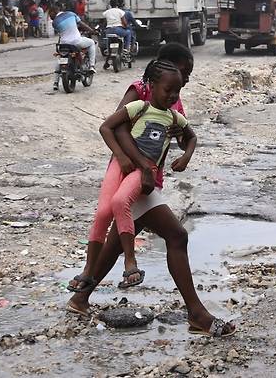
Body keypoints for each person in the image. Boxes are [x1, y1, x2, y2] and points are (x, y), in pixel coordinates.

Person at [66, 42, 237, 338]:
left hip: (148, 178)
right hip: (133, 175)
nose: (184, 82)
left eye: (186, 78)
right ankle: (198, 314)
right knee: (177, 235)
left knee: (119, 241)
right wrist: (142, 166)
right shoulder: (140, 91)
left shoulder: (172, 99)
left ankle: (81, 298)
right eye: (183, 73)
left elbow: (183, 136)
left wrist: (182, 145)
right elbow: (117, 128)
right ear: (164, 69)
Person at [69, 60, 197, 291]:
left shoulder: (174, 115)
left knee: (121, 207)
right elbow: (110, 127)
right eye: (169, 89)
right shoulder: (139, 103)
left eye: (177, 90)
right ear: (153, 84)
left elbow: (190, 136)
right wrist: (122, 156)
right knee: (104, 214)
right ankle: (89, 272)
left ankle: (129, 263)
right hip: (128, 166)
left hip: (144, 173)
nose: (174, 95)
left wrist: (185, 156)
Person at [49, 2, 97, 91]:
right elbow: (82, 25)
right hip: (76, 42)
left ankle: (55, 82)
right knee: (91, 43)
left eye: (50, 14)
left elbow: (63, 32)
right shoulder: (71, 14)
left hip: (63, 44)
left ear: (55, 11)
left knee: (60, 58)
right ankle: (92, 66)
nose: (50, 17)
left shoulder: (54, 23)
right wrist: (92, 31)